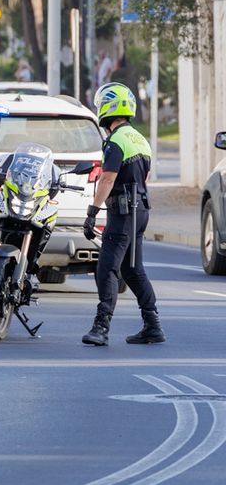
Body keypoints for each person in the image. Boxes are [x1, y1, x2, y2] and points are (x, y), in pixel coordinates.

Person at [82, 82, 163, 347]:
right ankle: (152, 325)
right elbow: (145, 176)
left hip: (123, 211)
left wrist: (93, 211)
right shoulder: (140, 139)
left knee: (107, 267)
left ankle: (101, 327)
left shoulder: (115, 142)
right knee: (132, 269)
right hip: (141, 211)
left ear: (107, 108)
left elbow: (107, 179)